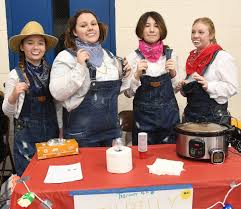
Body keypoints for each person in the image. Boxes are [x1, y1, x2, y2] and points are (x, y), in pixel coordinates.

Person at [49, 9, 131, 147]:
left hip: (110, 134)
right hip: (81, 137)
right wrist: (80, 67)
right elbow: (57, 93)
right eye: (83, 25)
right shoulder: (66, 58)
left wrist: (126, 75)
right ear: (74, 32)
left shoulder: (109, 57)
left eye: (93, 24)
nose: (90, 28)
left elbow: (117, 91)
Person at [2, 21, 60, 176]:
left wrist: (61, 128)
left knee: (51, 174)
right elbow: (7, 111)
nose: (36, 47)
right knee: (29, 177)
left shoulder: (53, 72)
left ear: (45, 47)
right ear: (22, 47)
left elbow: (58, 105)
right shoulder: (15, 75)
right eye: (30, 43)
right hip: (26, 135)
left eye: (40, 43)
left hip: (51, 131)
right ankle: (28, 201)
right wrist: (14, 94)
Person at [125, 11, 180, 145]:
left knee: (171, 159)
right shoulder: (132, 57)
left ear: (161, 29)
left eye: (156, 25)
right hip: (143, 120)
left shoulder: (171, 55)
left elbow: (178, 89)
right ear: (140, 30)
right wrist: (136, 75)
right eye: (147, 25)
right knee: (143, 160)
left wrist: (173, 73)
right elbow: (128, 93)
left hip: (169, 119)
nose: (151, 30)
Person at [177, 17, 239, 124]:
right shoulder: (191, 59)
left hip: (214, 121)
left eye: (201, 32)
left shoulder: (222, 57)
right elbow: (192, 93)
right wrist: (183, 88)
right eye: (193, 32)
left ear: (211, 35)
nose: (195, 35)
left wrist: (208, 85)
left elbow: (232, 87)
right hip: (190, 118)